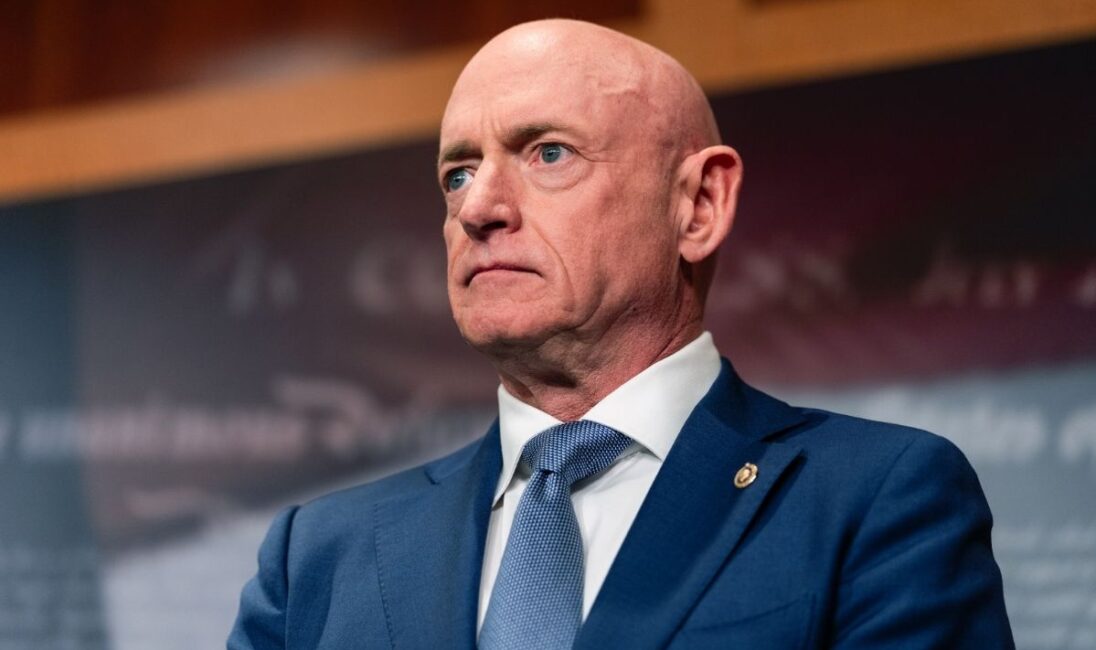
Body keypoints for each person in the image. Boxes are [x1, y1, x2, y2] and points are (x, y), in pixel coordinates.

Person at [229, 19, 1014, 649]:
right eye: (458, 172)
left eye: (548, 153)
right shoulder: (317, 557)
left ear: (699, 205)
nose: (477, 208)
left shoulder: (877, 503)